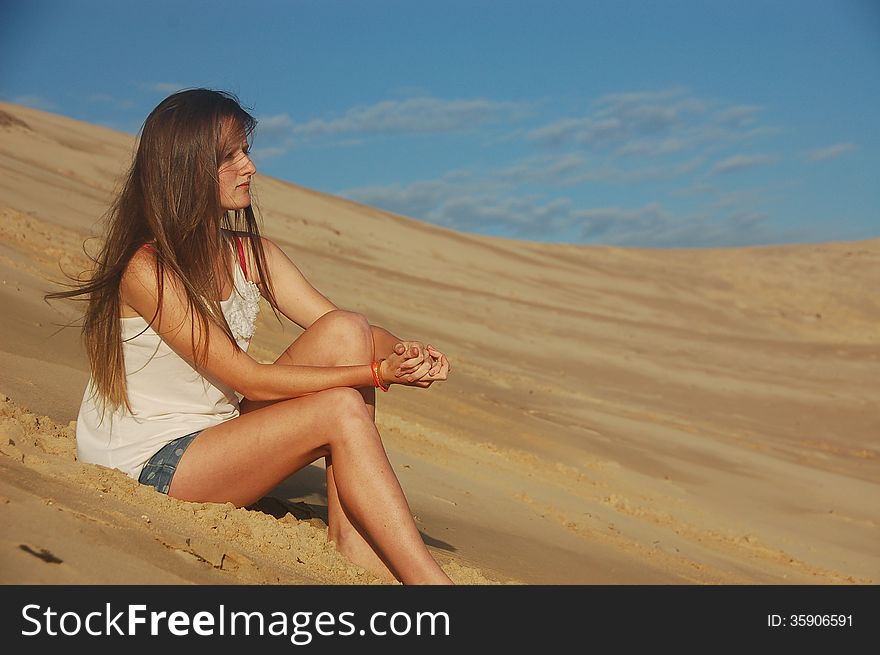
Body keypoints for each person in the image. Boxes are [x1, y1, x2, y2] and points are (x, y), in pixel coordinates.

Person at [46, 88, 453, 585]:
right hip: (152, 461)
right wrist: (375, 374)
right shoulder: (145, 269)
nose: (250, 168)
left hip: (218, 435)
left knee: (347, 328)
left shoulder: (248, 253)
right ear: (186, 168)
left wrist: (404, 355)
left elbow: (351, 331)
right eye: (230, 156)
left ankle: (351, 535)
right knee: (340, 407)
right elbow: (250, 380)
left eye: (246, 151)